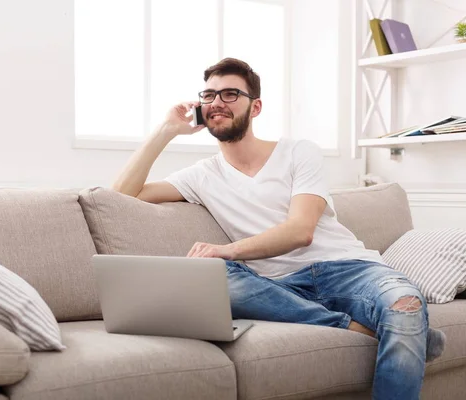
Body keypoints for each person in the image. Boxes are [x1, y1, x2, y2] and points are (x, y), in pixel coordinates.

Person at [112, 57, 445, 399]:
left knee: (406, 303)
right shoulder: (200, 174)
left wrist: (226, 250)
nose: (217, 103)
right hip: (276, 286)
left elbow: (300, 230)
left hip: (350, 270)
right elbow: (121, 195)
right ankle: (374, 330)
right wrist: (165, 130)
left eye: (230, 94)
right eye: (209, 95)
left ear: (255, 107)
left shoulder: (299, 152)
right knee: (212, 276)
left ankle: (404, 325)